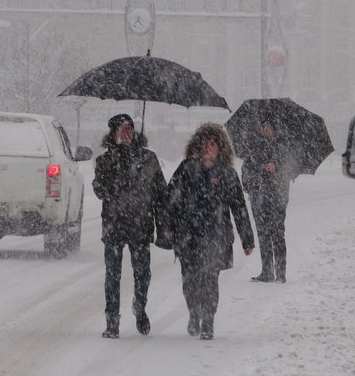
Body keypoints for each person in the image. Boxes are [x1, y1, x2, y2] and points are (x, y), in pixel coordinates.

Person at [164, 123, 255, 340]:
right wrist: (167, 226)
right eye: (204, 144)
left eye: (212, 144)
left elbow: (239, 207)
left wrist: (247, 239)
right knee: (189, 281)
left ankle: (209, 321)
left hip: (216, 236)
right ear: (197, 146)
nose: (207, 148)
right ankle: (194, 313)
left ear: (220, 147)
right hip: (187, 236)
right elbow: (170, 198)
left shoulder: (228, 174)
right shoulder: (186, 169)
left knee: (210, 280)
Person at [92, 113, 168, 339]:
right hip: (114, 224)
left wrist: (164, 225)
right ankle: (112, 321)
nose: (126, 134)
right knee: (112, 275)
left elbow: (161, 195)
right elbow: (99, 189)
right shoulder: (104, 161)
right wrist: (108, 185)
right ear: (113, 133)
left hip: (141, 224)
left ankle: (140, 306)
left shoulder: (148, 159)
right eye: (122, 130)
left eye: (130, 129)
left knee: (143, 273)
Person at [241, 120, 295, 284]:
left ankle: (280, 273)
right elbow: (246, 173)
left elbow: (290, 170)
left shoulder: (282, 147)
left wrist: (276, 166)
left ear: (274, 129)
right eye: (262, 127)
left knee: (277, 234)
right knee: (263, 235)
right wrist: (257, 177)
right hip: (259, 198)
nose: (264, 130)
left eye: (267, 128)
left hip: (277, 198)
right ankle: (267, 272)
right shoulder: (253, 148)